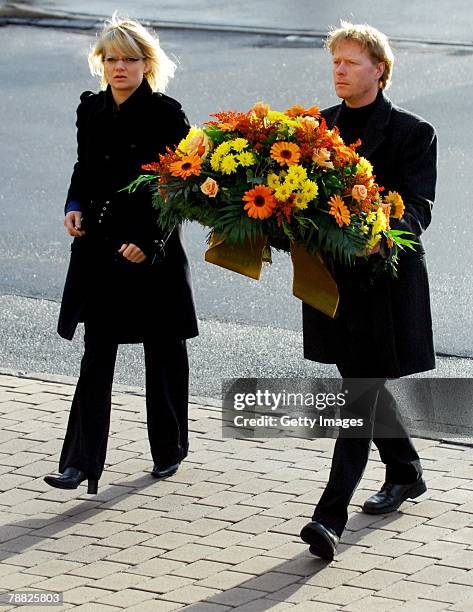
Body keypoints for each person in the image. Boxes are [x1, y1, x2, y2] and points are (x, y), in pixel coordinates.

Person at [44, 15, 198, 495]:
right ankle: (79, 463)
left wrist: (149, 241)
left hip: (151, 254)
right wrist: (72, 206)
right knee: (97, 353)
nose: (119, 67)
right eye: (110, 58)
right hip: (101, 250)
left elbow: (179, 188)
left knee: (164, 350)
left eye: (129, 59)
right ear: (101, 63)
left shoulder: (167, 114)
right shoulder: (90, 110)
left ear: (146, 64)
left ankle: (169, 449)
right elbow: (83, 169)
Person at [300, 22, 437, 560]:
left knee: (355, 396)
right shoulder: (315, 129)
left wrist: (376, 236)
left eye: (351, 62)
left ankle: (328, 518)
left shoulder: (412, 132)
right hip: (330, 283)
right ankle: (405, 471)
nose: (339, 70)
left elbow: (417, 209)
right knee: (363, 387)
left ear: (379, 70)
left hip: (382, 285)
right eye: (335, 61)